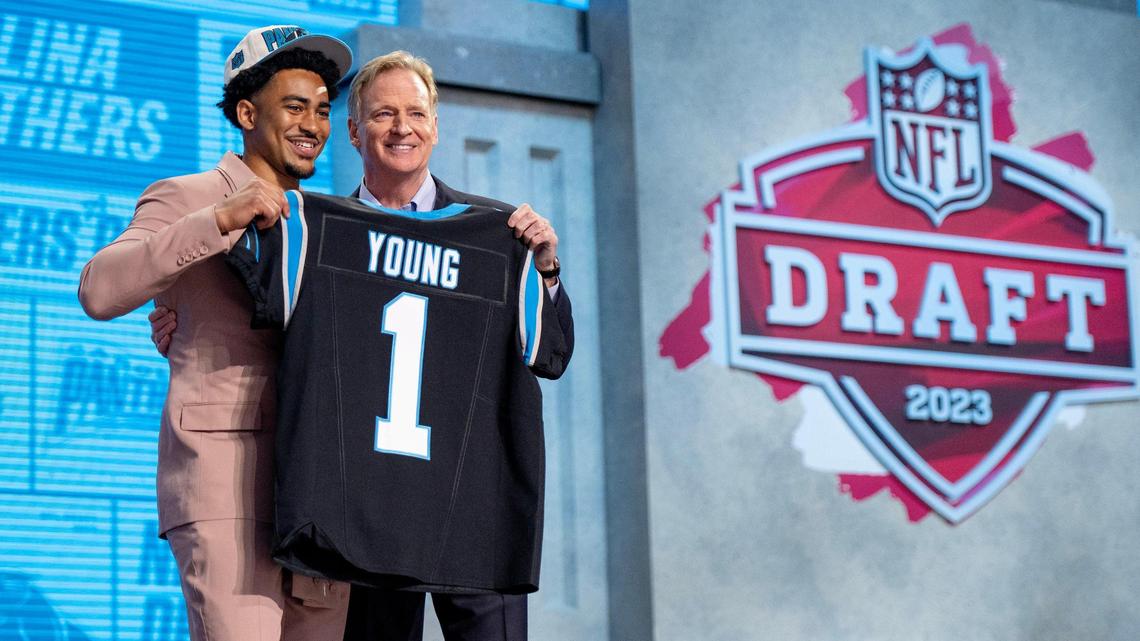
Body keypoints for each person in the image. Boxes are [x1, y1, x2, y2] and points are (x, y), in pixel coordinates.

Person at [78, 25, 354, 641]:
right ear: (247, 112)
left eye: (321, 109)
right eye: (294, 105)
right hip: (227, 488)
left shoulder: (330, 222)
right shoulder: (188, 197)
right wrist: (217, 222)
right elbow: (98, 288)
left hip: (321, 494)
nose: (312, 122)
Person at [339, 50, 574, 641]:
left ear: (436, 128)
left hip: (476, 507)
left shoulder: (498, 234)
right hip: (368, 513)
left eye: (416, 113)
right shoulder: (329, 238)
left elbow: (552, 356)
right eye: (384, 114)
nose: (402, 128)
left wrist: (544, 270)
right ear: (352, 130)